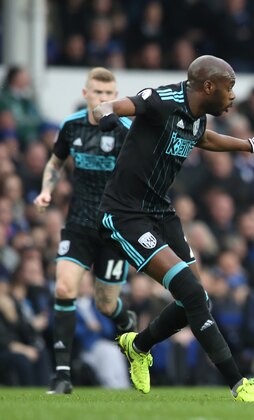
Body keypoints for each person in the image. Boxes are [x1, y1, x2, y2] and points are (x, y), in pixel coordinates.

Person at [92, 55, 254, 401]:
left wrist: (251, 145)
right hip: (125, 214)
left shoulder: (196, 117)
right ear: (208, 86)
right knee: (193, 293)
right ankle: (238, 385)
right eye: (229, 88)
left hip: (161, 213)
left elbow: (206, 140)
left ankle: (138, 346)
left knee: (197, 300)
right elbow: (106, 106)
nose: (233, 96)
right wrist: (107, 117)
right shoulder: (161, 101)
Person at [33, 67, 137, 395]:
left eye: (109, 94)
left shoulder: (125, 130)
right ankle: (61, 376)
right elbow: (55, 162)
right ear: (86, 93)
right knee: (64, 290)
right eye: (98, 93)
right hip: (78, 224)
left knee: (106, 305)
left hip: (114, 228)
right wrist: (46, 190)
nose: (103, 99)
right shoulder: (71, 125)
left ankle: (125, 320)